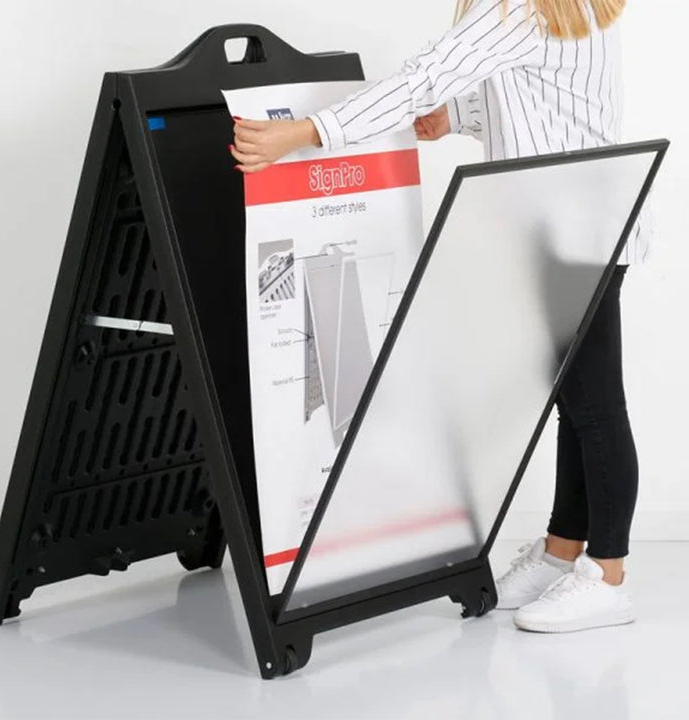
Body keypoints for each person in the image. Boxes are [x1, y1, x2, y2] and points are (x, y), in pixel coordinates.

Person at [231, 0, 640, 633]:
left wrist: (308, 131)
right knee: (575, 400)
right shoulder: (575, 6)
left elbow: (421, 78)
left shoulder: (521, 9)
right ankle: (564, 551)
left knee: (595, 405)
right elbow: (547, 98)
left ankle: (607, 576)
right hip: (580, 216)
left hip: (570, 230)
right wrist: (459, 116)